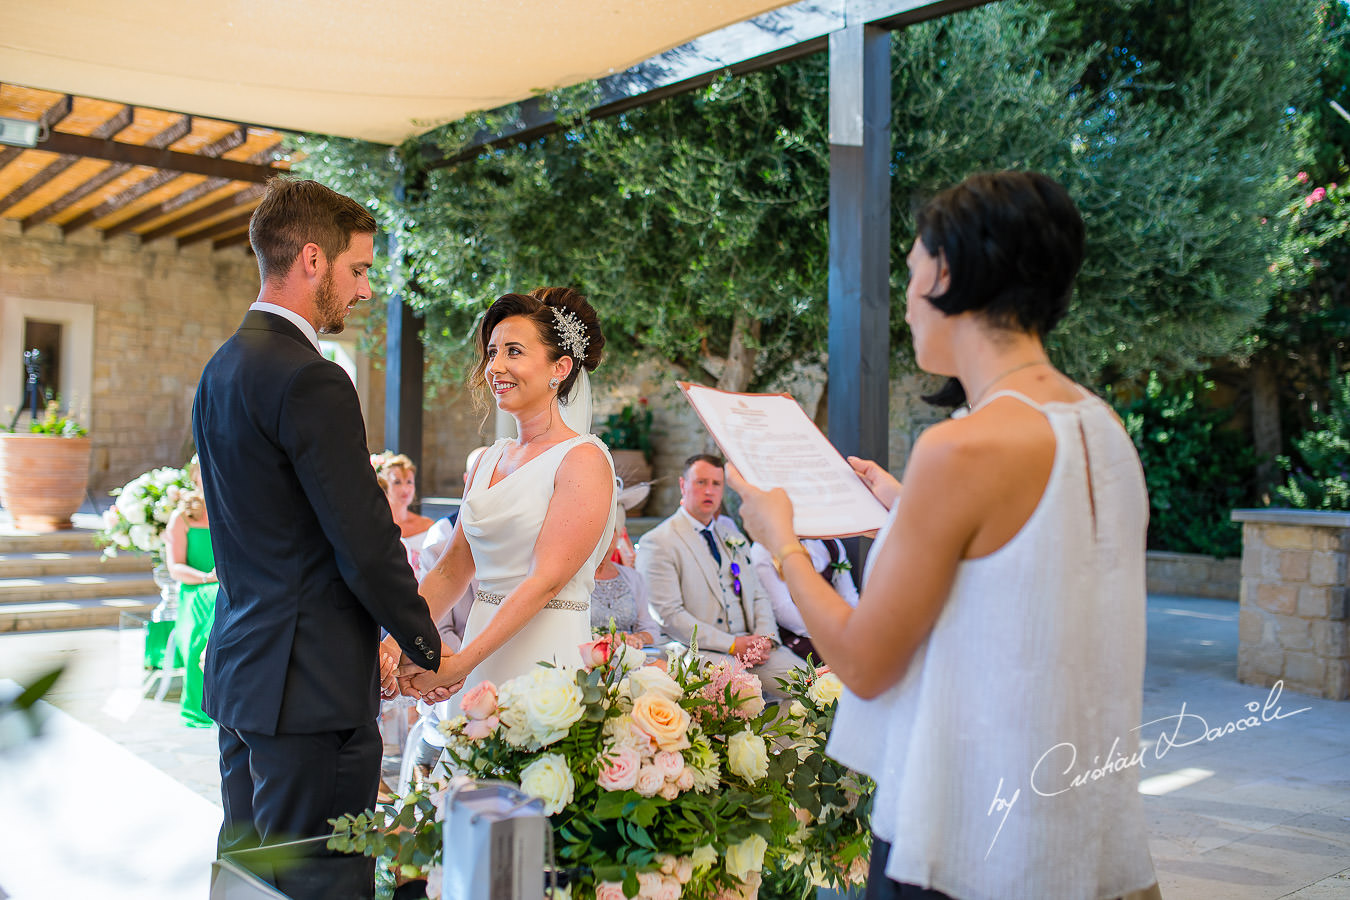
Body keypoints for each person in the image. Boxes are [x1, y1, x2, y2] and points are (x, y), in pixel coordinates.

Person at [729, 171, 1160, 900]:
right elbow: (1029, 573)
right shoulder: (1100, 427)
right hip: (1073, 831)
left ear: (948, 271)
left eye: (909, 271)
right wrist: (906, 507)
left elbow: (865, 664)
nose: (903, 297)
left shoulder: (964, 450)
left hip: (967, 838)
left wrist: (782, 542)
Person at [192, 178, 451, 900]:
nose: (364, 291)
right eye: (358, 270)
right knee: (320, 886)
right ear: (313, 259)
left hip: (245, 676)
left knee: (247, 880)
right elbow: (364, 537)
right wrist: (424, 643)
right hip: (310, 693)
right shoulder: (312, 379)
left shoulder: (221, 369)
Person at [401, 287, 617, 713]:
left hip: (545, 655)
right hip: (481, 649)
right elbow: (452, 567)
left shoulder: (583, 460)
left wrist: (459, 662)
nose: (495, 366)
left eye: (513, 351)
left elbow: (545, 581)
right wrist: (399, 644)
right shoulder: (488, 458)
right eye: (493, 352)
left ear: (560, 367)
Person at [637, 453, 805, 698]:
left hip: (751, 646)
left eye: (716, 484)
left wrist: (765, 639)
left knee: (809, 685)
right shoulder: (658, 542)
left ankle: (784, 739)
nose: (709, 491)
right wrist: (732, 644)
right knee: (745, 693)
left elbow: (759, 594)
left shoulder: (731, 534)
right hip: (697, 649)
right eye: (701, 482)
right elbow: (669, 616)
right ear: (683, 485)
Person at [162, 456, 218, 728]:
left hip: (228, 587)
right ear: (195, 476)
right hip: (196, 591)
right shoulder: (182, 516)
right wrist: (207, 577)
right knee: (217, 597)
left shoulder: (230, 508)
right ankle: (201, 705)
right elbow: (175, 567)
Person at [748, 538, 857, 663]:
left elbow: (848, 595)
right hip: (798, 632)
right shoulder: (764, 550)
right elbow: (783, 610)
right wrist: (828, 632)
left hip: (837, 625)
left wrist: (853, 625)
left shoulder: (830, 542)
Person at [590, 521, 661, 647]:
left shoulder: (633, 577)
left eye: (610, 530)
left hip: (627, 657)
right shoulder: (574, 578)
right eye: (599, 529)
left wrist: (637, 638)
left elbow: (650, 629)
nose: (604, 536)